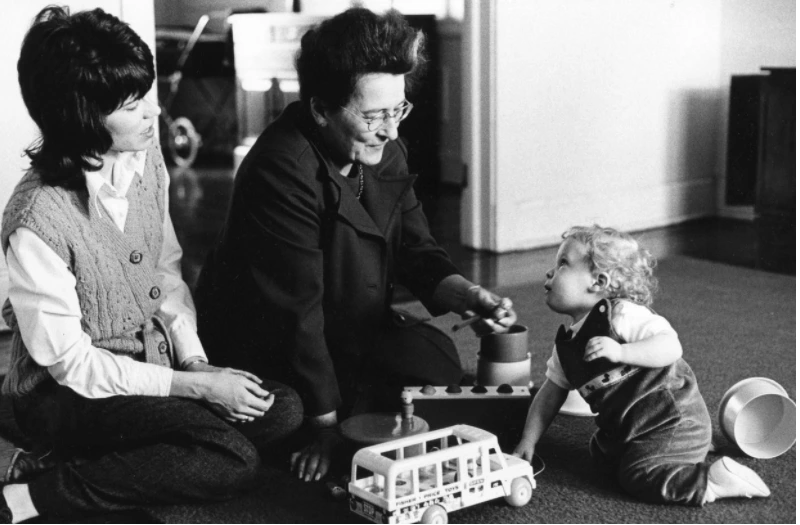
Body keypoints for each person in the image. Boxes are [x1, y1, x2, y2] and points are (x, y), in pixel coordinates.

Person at [0, 7, 302, 523]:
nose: (154, 112)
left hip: (151, 367)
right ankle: (27, 497)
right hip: (66, 395)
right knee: (233, 457)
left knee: (283, 407)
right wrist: (196, 389)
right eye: (134, 104)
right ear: (82, 115)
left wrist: (196, 364)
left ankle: (126, 457)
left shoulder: (146, 160)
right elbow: (73, 366)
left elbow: (165, 273)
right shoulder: (36, 219)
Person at [194, 7, 517, 484]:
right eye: (374, 115)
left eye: (398, 109)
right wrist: (326, 430)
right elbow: (296, 317)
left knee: (437, 361)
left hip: (348, 326)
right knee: (295, 413)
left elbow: (417, 250)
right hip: (271, 342)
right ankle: (325, 412)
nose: (391, 129)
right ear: (321, 109)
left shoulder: (384, 147)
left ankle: (352, 400)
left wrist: (468, 294)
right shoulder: (279, 170)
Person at [512, 225, 770, 506]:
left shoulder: (622, 315)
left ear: (598, 281)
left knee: (639, 475)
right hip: (629, 428)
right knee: (601, 458)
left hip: (671, 421)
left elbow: (672, 346)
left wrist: (622, 351)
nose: (550, 272)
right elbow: (550, 395)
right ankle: (681, 453)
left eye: (563, 263)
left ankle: (712, 480)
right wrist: (528, 440)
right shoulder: (567, 347)